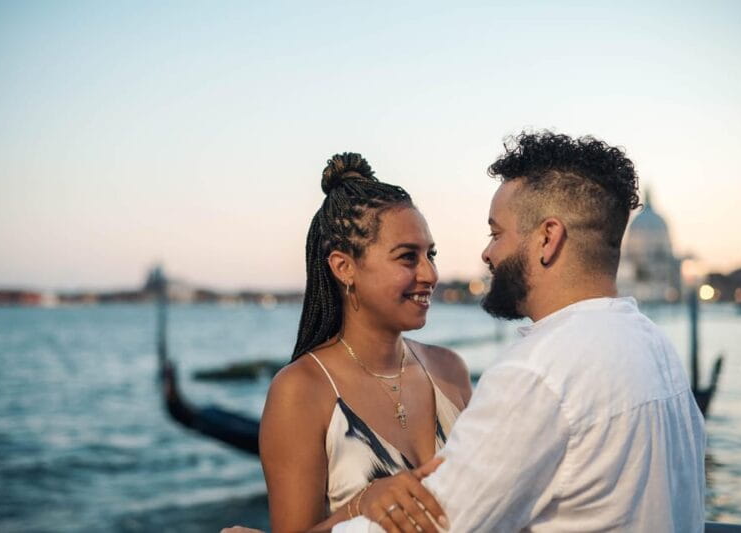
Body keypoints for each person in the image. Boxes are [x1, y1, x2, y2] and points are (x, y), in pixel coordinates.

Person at [333, 132, 706, 532]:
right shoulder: (655, 346)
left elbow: (434, 526)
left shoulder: (538, 373)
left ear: (548, 238)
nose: (487, 253)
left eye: (496, 234)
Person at [250, 153, 473, 532]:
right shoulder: (301, 391)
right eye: (408, 257)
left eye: (430, 255)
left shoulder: (450, 370)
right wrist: (361, 504)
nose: (430, 274)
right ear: (344, 267)